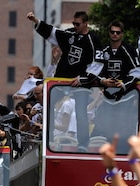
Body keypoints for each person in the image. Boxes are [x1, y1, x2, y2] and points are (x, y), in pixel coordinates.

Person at [27, 11, 104, 151]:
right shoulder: (70, 34)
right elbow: (53, 32)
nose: (75, 26)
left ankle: (83, 144)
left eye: (77, 24)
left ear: (85, 24)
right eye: (73, 23)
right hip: (61, 82)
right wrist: (36, 20)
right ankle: (47, 138)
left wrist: (83, 78)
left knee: (80, 113)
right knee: (48, 104)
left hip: (79, 82)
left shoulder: (93, 40)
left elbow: (98, 63)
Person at [101, 20, 140, 101]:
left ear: (122, 34)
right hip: (106, 96)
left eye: (118, 32)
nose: (115, 34)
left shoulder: (130, 50)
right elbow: (96, 69)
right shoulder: (103, 50)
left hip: (126, 96)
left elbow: (137, 71)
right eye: (112, 32)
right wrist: (102, 81)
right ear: (109, 33)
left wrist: (123, 84)